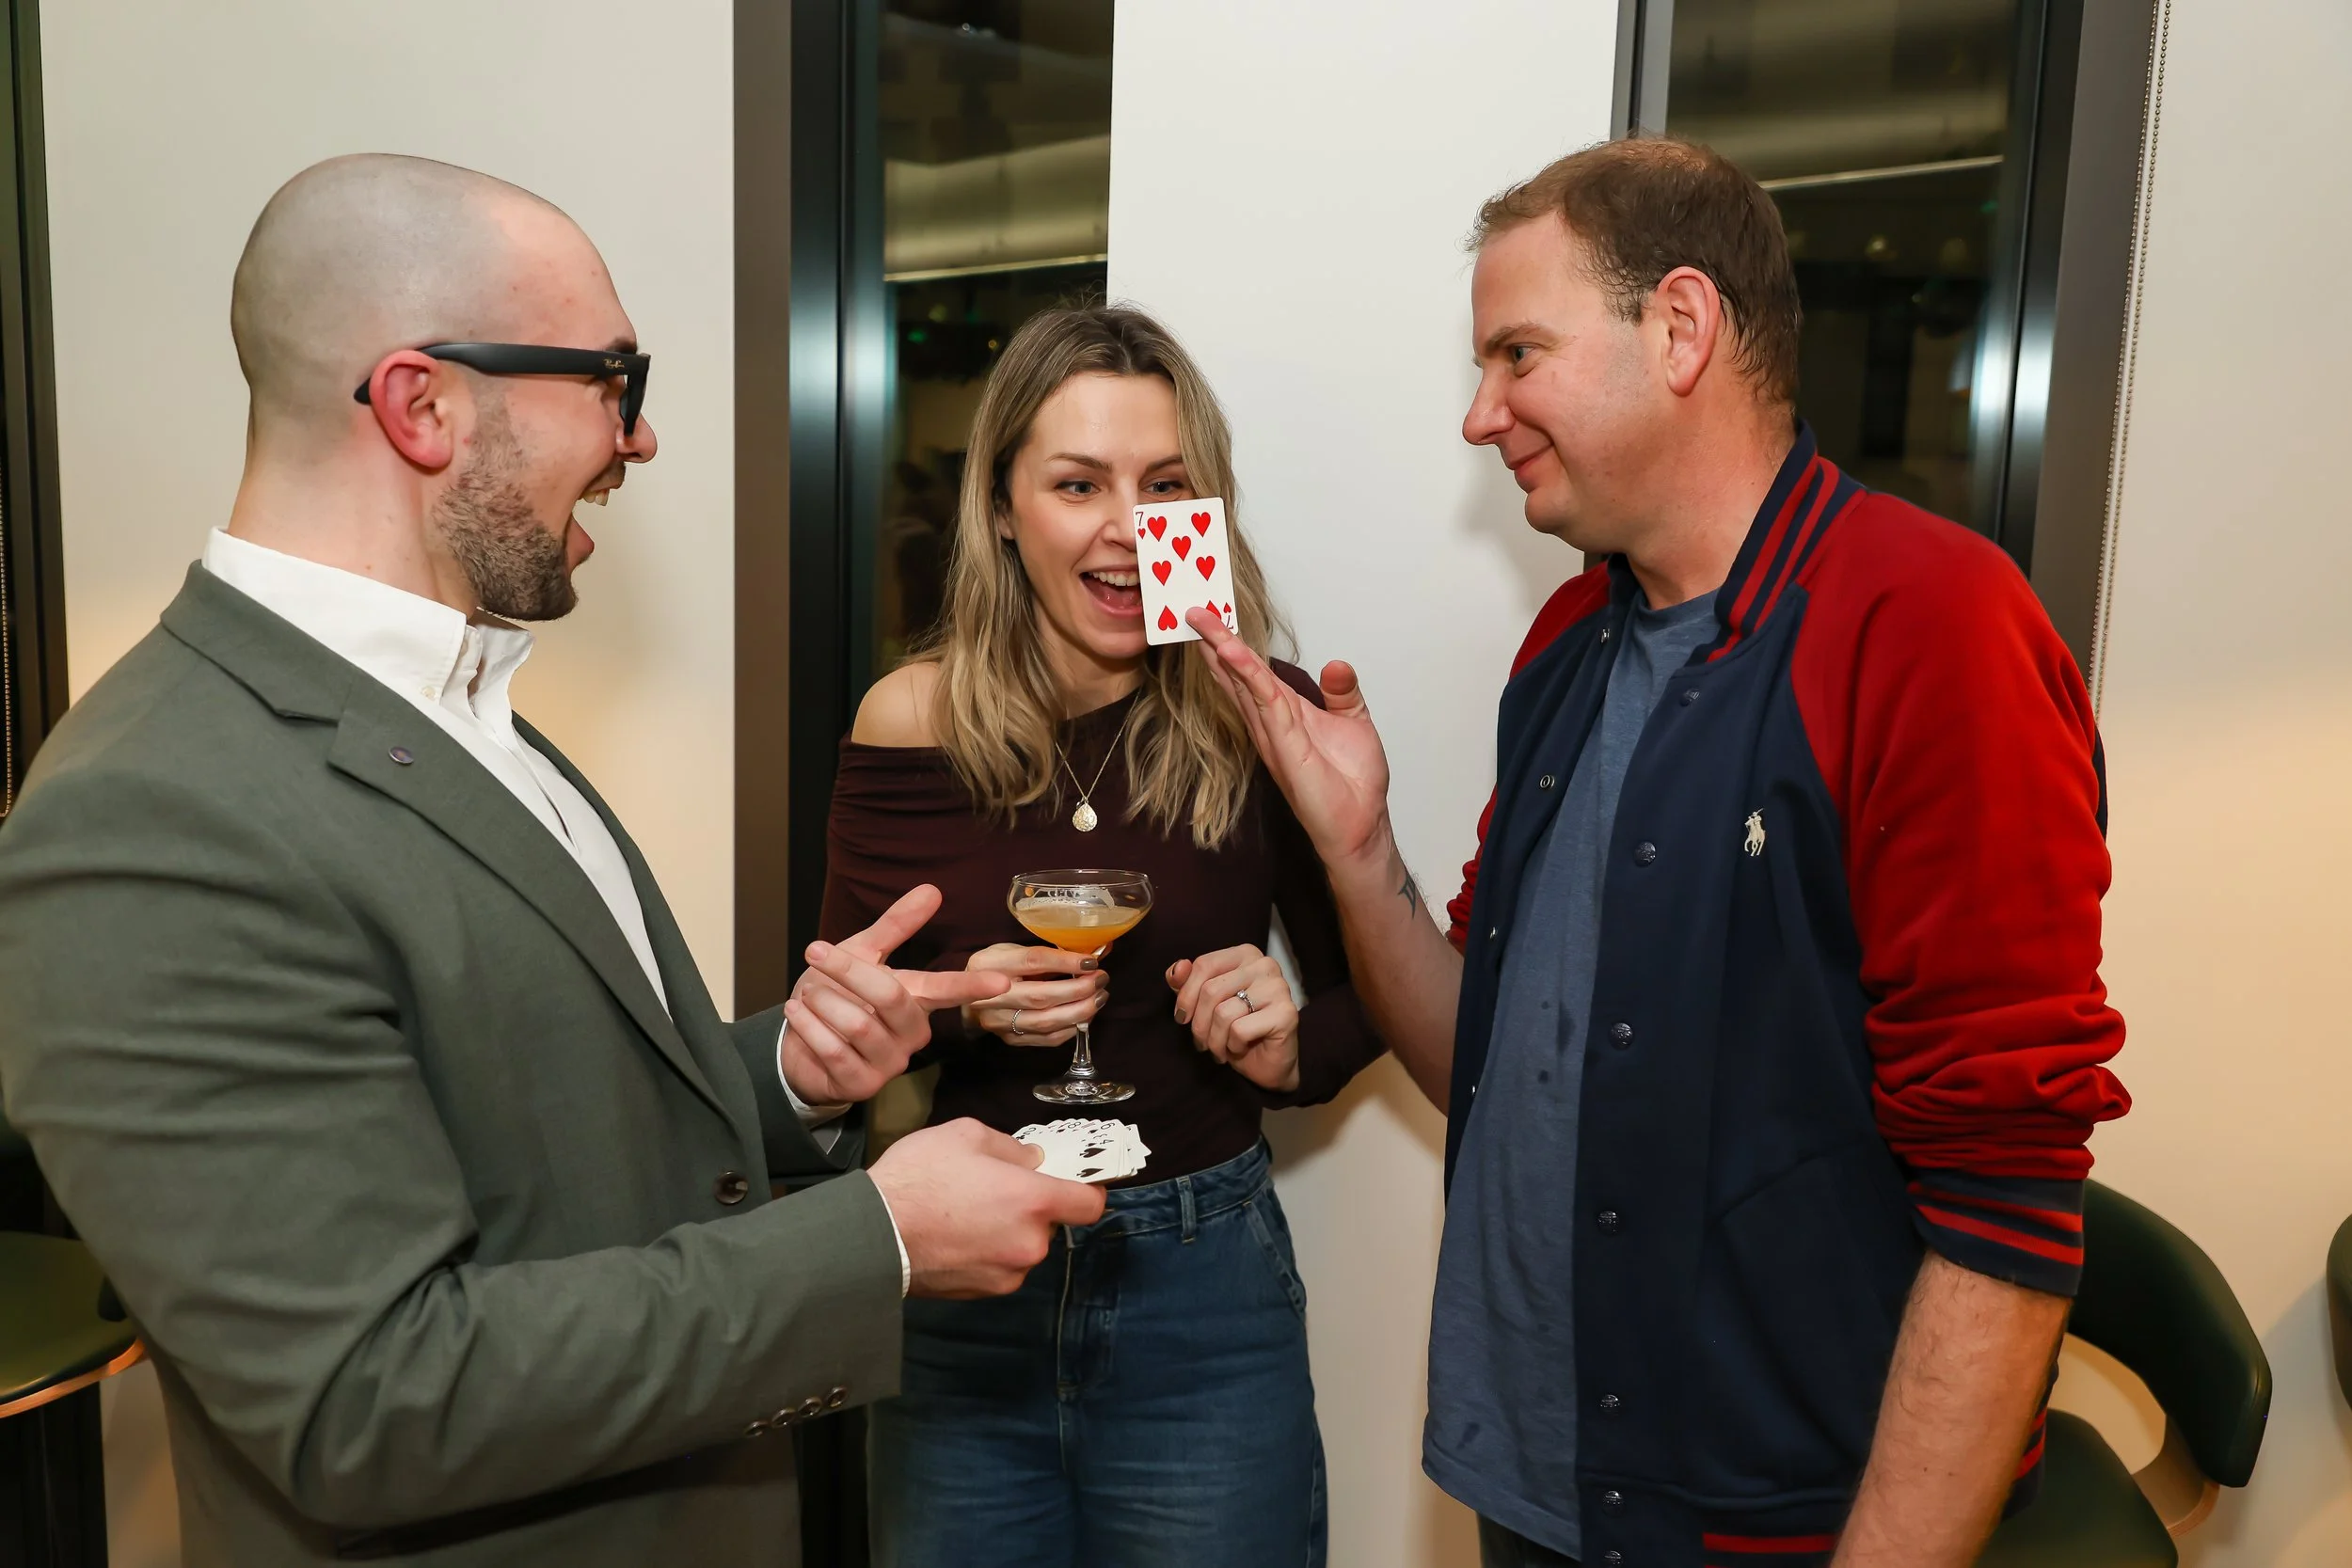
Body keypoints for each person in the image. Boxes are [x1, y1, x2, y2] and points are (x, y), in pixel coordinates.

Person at [0, 154, 1106, 1568]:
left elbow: (532, 1139)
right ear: (423, 405)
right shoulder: (148, 816)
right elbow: (368, 1396)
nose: (637, 440)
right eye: (611, 379)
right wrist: (872, 1243)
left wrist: (786, 1074)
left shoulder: (466, 706)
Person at [1189, 137, 2130, 1568]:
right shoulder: (1569, 644)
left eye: (1518, 353)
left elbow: (2007, 1199)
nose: (1479, 414)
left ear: (1682, 327)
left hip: (1779, 1527)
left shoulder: (1933, 626)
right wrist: (1360, 853)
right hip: (1538, 1489)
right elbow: (1479, 1060)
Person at [825, 304, 1385, 1568]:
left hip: (1204, 1301)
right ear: (1006, 508)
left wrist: (1291, 1044)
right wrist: (966, 1005)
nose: (1129, 525)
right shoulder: (909, 720)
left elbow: (1383, 997)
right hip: (967, 1293)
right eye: (1078, 483)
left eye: (1167, 483)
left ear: (1209, 508)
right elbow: (841, 1037)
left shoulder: (1263, 713)